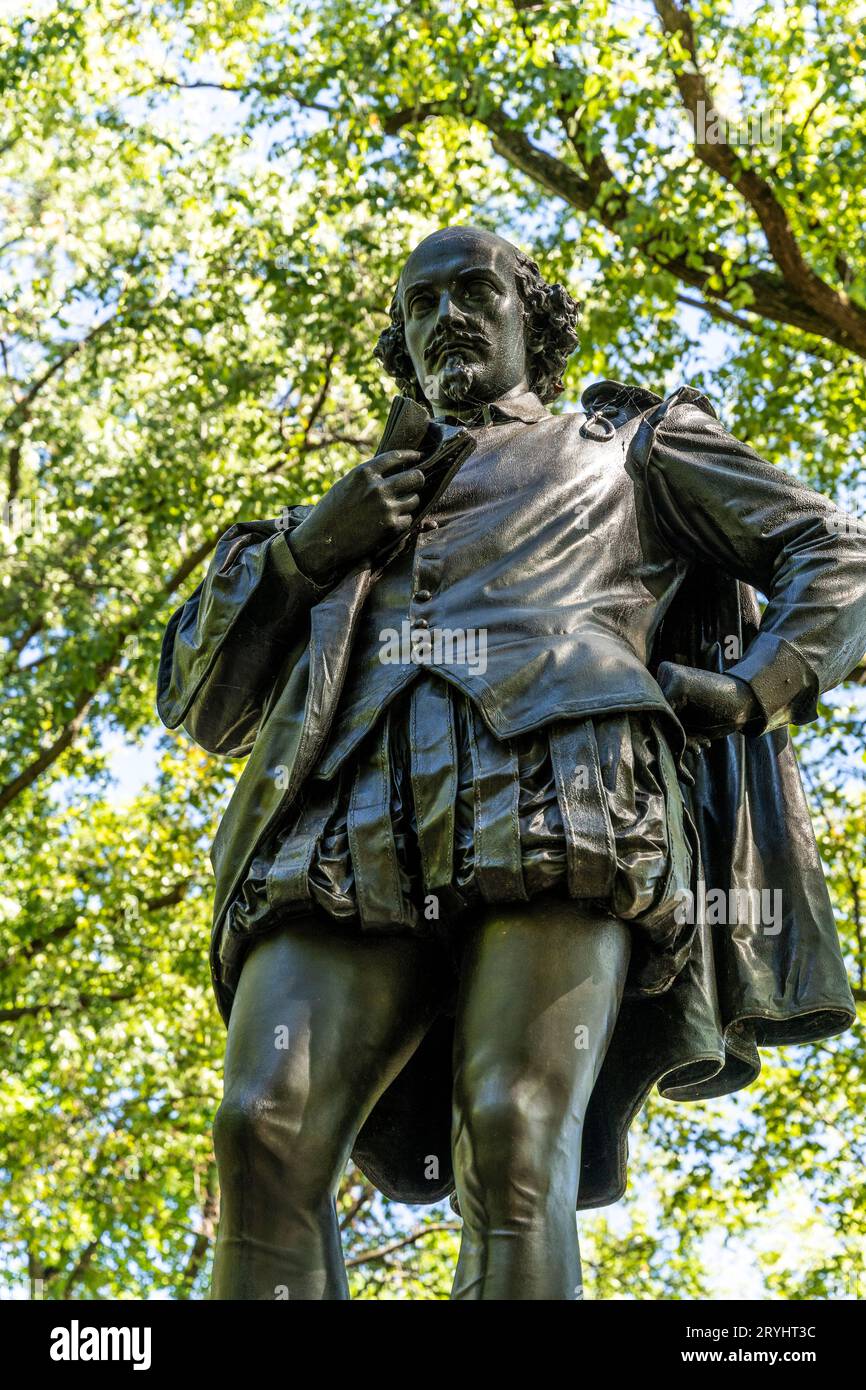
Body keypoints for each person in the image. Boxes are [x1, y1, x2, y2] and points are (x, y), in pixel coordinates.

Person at [158, 225, 866, 1299]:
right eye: (419, 302)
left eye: (471, 290)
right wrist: (310, 549)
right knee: (260, 1127)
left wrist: (751, 686)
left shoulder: (631, 446)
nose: (445, 315)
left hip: (562, 803)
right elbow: (200, 702)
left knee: (511, 1132)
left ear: (526, 316)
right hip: (342, 827)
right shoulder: (347, 510)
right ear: (399, 338)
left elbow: (833, 548)